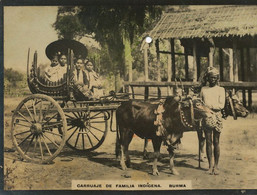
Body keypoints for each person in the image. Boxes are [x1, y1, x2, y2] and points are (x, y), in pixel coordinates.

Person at [200, 67, 225, 175]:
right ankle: (210, 166)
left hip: (217, 117)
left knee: (216, 142)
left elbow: (221, 105)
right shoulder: (203, 89)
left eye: (215, 78)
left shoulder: (221, 90)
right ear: (208, 78)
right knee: (208, 142)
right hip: (206, 116)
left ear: (217, 78)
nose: (213, 79)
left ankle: (216, 166)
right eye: (211, 77)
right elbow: (200, 103)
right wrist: (206, 108)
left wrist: (209, 106)